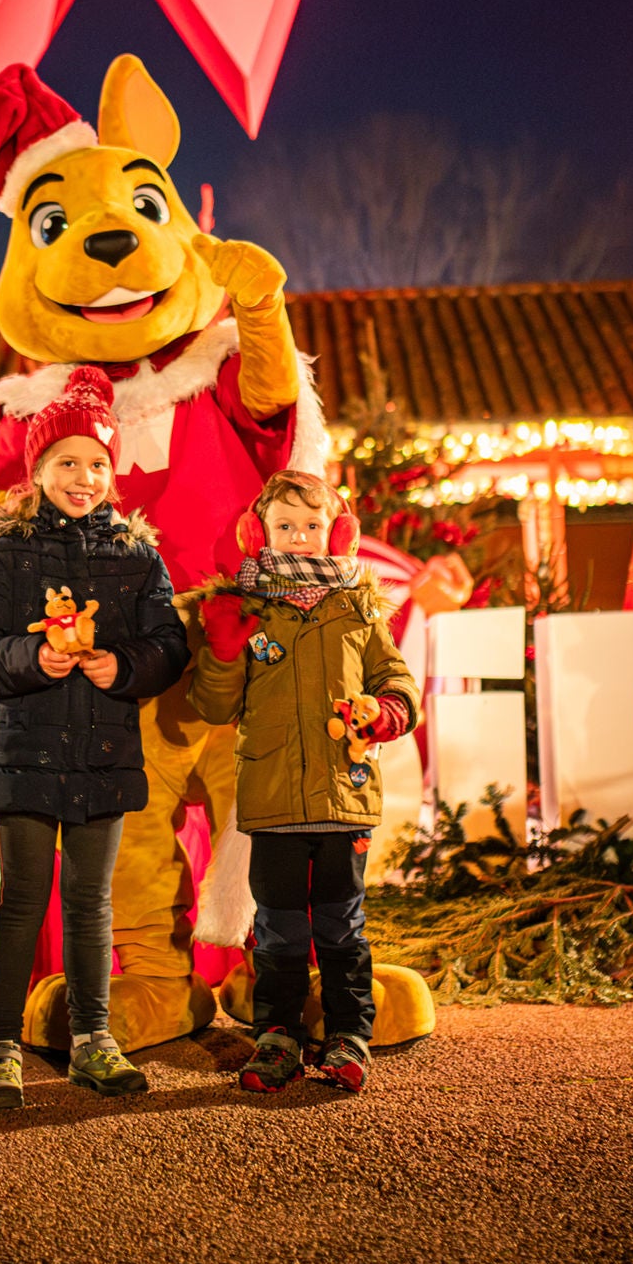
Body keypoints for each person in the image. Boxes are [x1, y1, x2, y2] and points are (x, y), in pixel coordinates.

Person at [0, 366, 189, 1111]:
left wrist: (126, 665)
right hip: (23, 749)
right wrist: (28, 657)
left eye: (97, 463)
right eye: (67, 462)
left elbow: (169, 646)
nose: (83, 477)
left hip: (102, 752)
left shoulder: (137, 556)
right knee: (21, 899)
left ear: (114, 474)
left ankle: (92, 1038)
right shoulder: (5, 552)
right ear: (38, 469)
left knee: (91, 901)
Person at [188, 469, 420, 1094]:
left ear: (337, 533)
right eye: (284, 526)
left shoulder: (359, 607)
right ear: (257, 532)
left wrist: (386, 712)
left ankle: (348, 1035)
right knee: (280, 927)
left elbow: (397, 683)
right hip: (272, 800)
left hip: (343, 796)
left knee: (341, 925)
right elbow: (214, 707)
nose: (298, 537)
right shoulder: (246, 607)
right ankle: (277, 1036)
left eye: (311, 526)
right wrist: (222, 652)